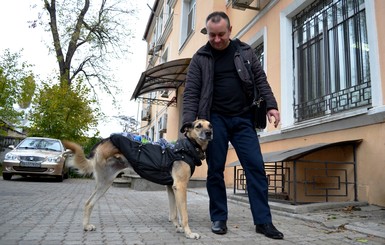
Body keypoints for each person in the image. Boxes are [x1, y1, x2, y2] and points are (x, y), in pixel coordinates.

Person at [181, 11, 284, 239]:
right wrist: (189, 125)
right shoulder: (200, 58)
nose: (217, 40)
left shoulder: (245, 51)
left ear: (230, 30)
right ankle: (219, 217)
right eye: (212, 35)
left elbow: (260, 80)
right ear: (207, 33)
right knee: (215, 171)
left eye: (221, 34)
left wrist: (271, 106)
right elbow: (191, 93)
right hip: (214, 121)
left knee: (255, 167)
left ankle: (263, 222)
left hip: (243, 119)